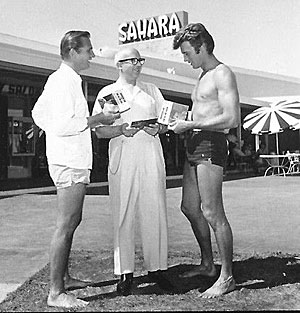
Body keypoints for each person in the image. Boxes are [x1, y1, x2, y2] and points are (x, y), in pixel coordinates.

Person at [31, 30, 120, 309]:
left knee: (71, 221)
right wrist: (97, 119)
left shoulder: (66, 80)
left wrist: (88, 120)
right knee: (66, 224)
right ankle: (56, 293)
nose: (92, 54)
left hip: (71, 159)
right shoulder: (61, 81)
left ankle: (64, 278)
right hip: (68, 161)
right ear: (72, 52)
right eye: (88, 50)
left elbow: (38, 114)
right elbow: (62, 124)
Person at [92, 47, 174, 296]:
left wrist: (159, 128)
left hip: (150, 154)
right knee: (123, 213)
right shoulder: (108, 93)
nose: (138, 65)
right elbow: (100, 130)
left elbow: (167, 119)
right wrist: (120, 130)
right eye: (133, 61)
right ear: (119, 65)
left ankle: (157, 268)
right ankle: (125, 272)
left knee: (155, 211)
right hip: (123, 155)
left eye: (141, 60)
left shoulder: (151, 90)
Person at [170, 23, 240, 298]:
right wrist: (182, 123)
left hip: (211, 143)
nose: (186, 59)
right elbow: (202, 113)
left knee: (212, 212)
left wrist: (192, 124)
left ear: (203, 47)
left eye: (188, 53)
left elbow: (232, 118)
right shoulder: (203, 75)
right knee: (189, 207)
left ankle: (227, 276)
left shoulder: (222, 73)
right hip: (195, 141)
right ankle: (209, 264)